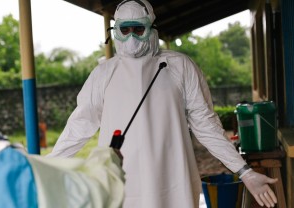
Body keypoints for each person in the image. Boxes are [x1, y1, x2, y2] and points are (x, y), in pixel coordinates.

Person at [48, 0, 278, 207]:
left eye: (138, 29)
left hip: (173, 181)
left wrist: (244, 171)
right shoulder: (103, 74)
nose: (131, 38)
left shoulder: (180, 66)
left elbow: (206, 125)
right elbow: (79, 125)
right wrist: (46, 167)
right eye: (124, 30)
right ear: (114, 31)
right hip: (121, 182)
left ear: (151, 29)